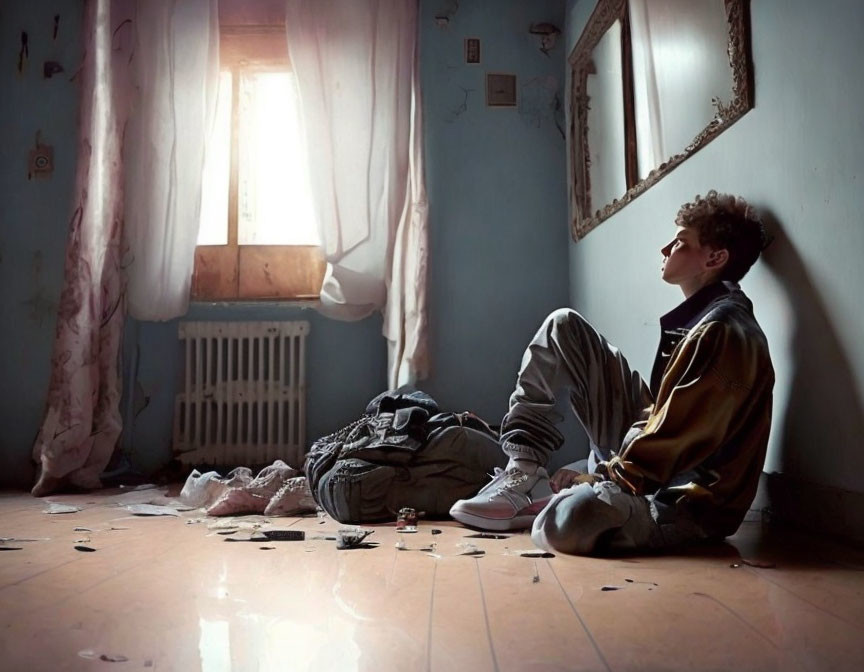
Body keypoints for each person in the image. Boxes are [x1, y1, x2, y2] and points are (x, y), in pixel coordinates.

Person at [449, 191, 774, 555]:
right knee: (564, 324)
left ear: (715, 257)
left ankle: (573, 493)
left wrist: (598, 478)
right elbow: (662, 419)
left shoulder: (723, 331)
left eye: (681, 242)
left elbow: (675, 443)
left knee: (567, 522)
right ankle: (525, 468)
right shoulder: (701, 321)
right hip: (654, 468)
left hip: (683, 504)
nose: (665, 249)